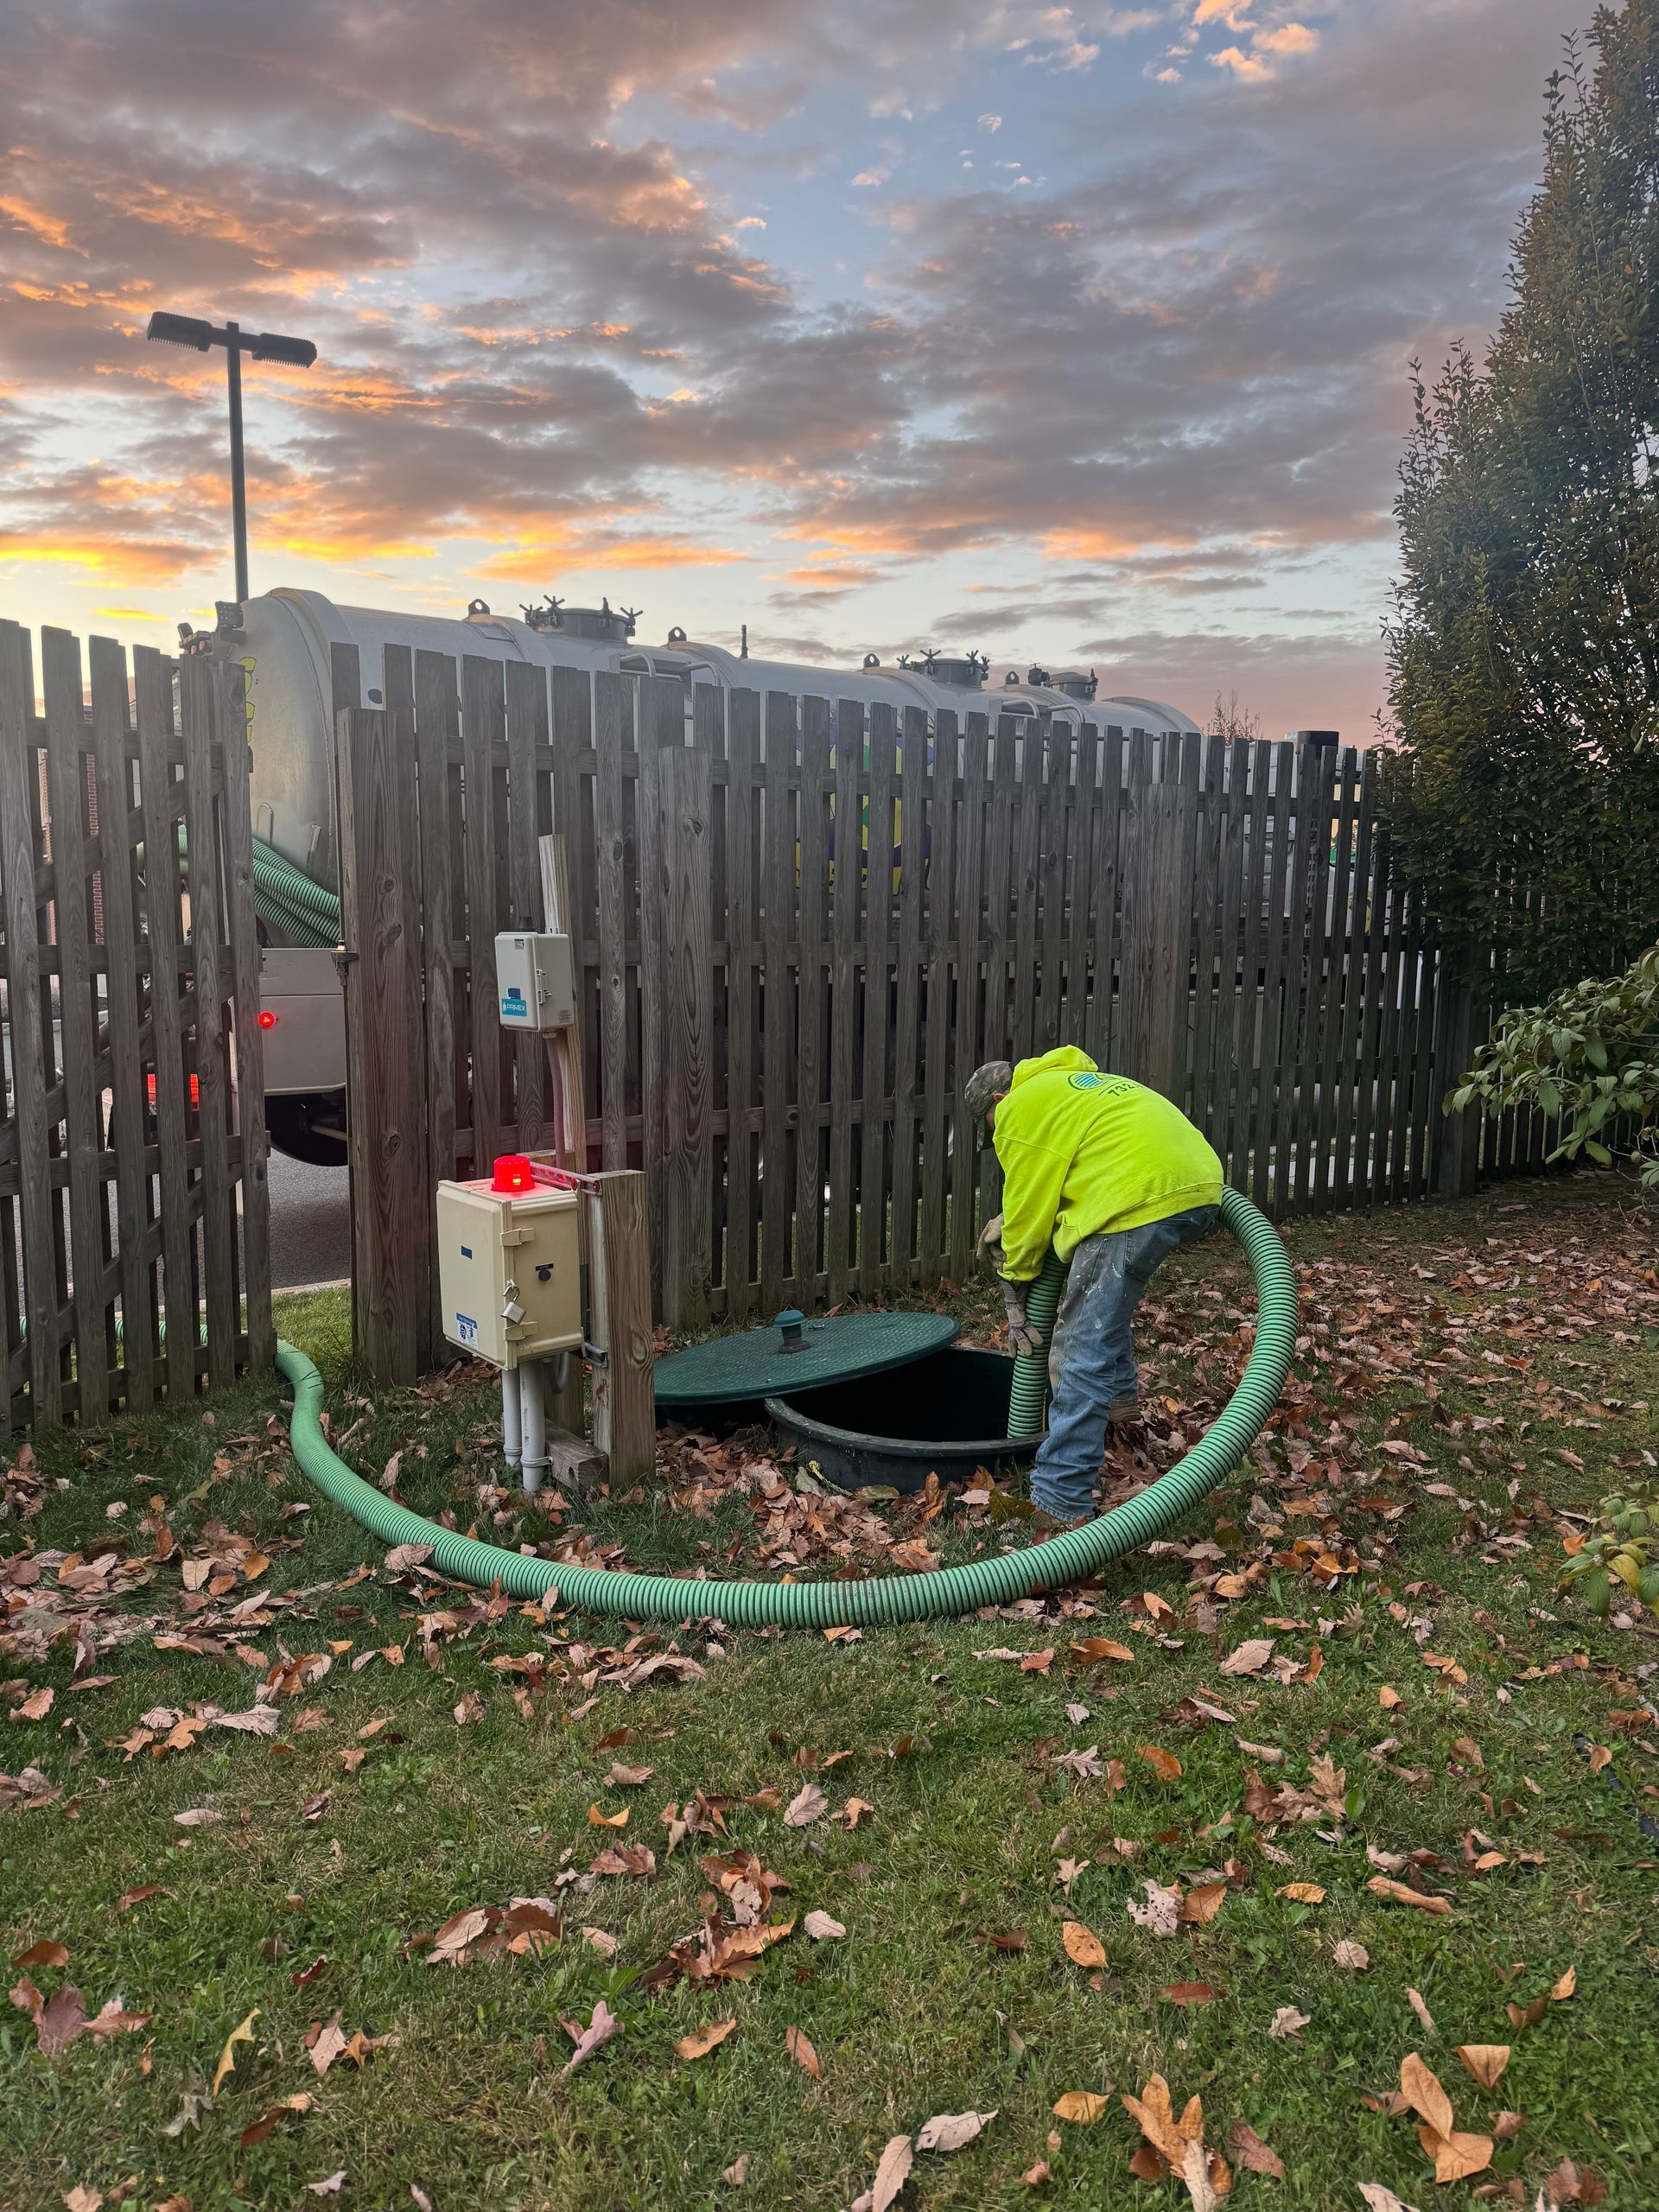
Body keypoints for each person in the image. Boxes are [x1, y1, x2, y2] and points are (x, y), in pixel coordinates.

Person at [963, 1046, 1224, 1529]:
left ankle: (1060, 1500)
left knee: (1080, 1345)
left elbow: (1028, 1202)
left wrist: (1014, 1278)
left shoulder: (1019, 1108)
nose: (995, 1135)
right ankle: (1122, 1422)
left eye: (990, 1125)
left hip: (1136, 1198)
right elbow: (1077, 1173)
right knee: (1106, 1309)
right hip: (1197, 1183)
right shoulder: (1069, 1085)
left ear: (998, 1100)